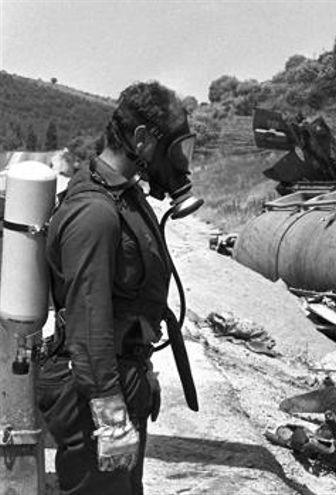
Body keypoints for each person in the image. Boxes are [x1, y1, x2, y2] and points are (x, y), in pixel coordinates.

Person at [36, 81, 197, 495]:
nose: (181, 162)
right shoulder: (96, 212)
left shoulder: (125, 196)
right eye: (175, 149)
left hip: (117, 376)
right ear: (142, 140)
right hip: (91, 391)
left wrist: (142, 370)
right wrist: (110, 415)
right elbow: (90, 326)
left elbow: (127, 303)